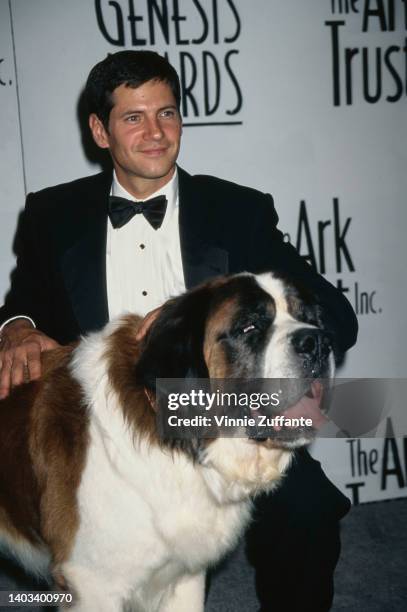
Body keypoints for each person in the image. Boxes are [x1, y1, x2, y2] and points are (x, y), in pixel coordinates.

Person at [0, 50, 357, 611]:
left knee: (307, 514)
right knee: (103, 573)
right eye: (133, 117)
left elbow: (336, 315)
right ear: (100, 129)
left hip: (221, 415)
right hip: (110, 430)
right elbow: (25, 303)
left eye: (167, 114)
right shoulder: (52, 214)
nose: (156, 133)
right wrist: (16, 326)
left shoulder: (237, 209)